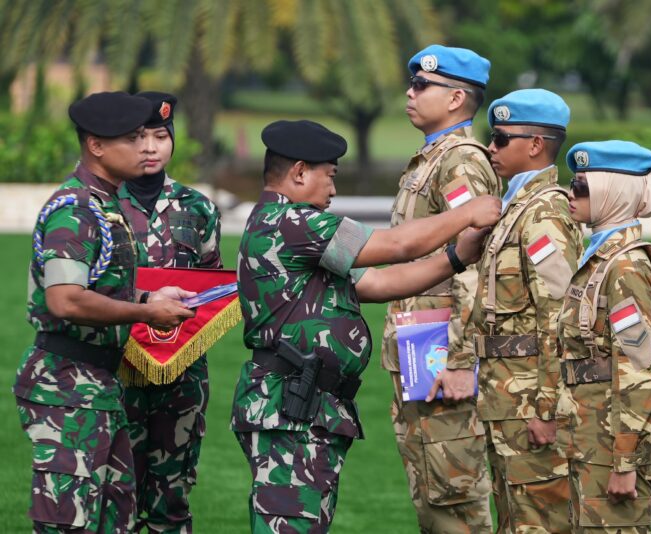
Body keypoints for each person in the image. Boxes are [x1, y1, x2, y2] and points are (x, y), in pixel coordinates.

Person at [231, 119, 501, 533]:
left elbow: (377, 282)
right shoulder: (293, 223)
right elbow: (396, 247)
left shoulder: (295, 231)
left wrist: (455, 259)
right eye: (330, 177)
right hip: (289, 409)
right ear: (300, 172)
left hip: (304, 408)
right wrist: (466, 213)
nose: (333, 190)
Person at [13, 91, 196, 533]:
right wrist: (144, 313)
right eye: (131, 138)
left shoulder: (105, 204)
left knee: (115, 521)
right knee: (69, 523)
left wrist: (148, 300)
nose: (145, 148)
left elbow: (97, 285)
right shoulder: (76, 208)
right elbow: (66, 298)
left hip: (98, 387)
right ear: (96, 145)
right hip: (68, 387)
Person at [381, 43, 501, 533]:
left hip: (440, 352)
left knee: (455, 503)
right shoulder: (432, 159)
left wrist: (460, 362)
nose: (410, 93)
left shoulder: (460, 164)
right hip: (418, 347)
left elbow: (473, 265)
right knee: (432, 496)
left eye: (422, 85)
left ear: (456, 99)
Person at [453, 89, 582, 533]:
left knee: (539, 522)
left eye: (501, 137)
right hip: (506, 398)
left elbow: (559, 318)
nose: (490, 146)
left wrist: (547, 409)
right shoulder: (516, 208)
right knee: (514, 518)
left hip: (529, 401)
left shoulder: (545, 213)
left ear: (534, 145)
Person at [117, 91, 223, 533]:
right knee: (113, 495)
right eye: (139, 137)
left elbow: (211, 284)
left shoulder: (198, 208)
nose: (150, 147)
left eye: (160, 136)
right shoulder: (101, 204)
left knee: (172, 500)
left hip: (181, 376)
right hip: (115, 369)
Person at [556, 141, 651, 533]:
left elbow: (636, 369)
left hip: (609, 446)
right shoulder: (601, 257)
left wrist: (625, 462)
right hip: (587, 437)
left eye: (582, 186)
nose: (571, 194)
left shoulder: (626, 266)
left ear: (612, 192)